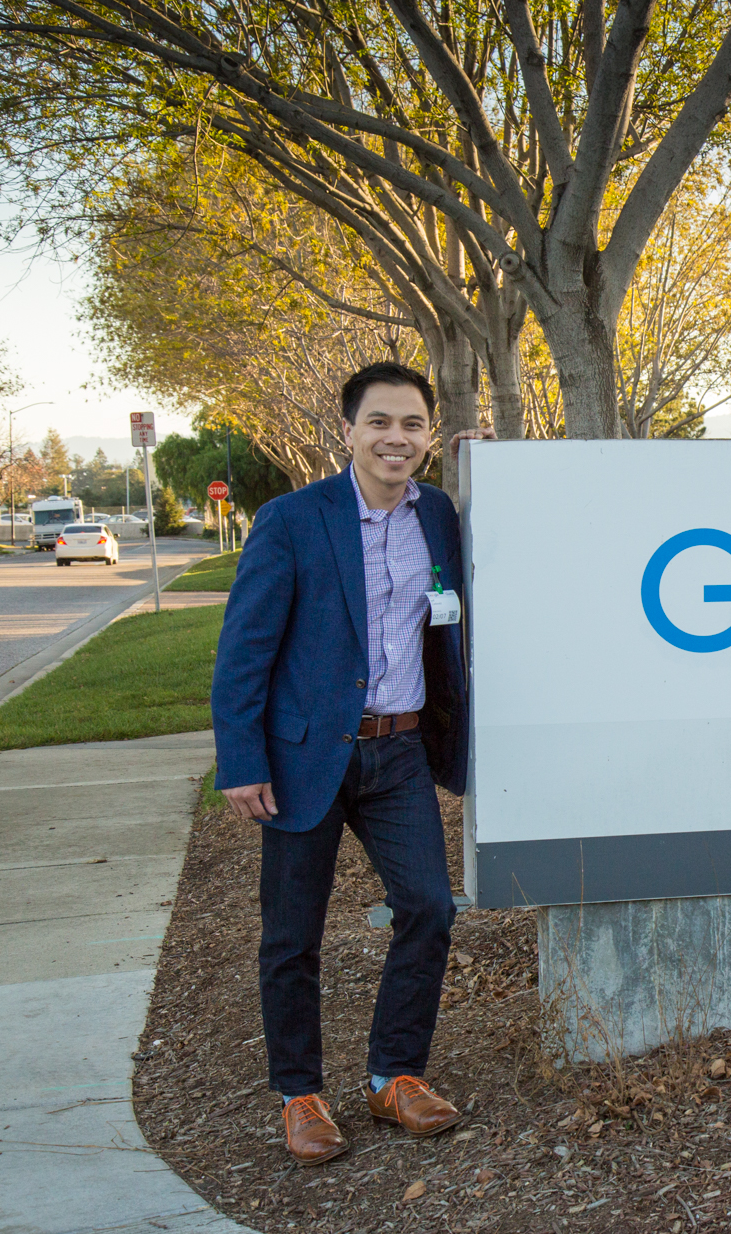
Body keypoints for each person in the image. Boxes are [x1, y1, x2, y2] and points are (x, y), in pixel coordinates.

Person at [212, 361, 495, 1164]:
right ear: (349, 431)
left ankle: (393, 1075)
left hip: (400, 751)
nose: (395, 438)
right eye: (380, 422)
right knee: (292, 935)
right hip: (307, 757)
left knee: (430, 910)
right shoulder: (293, 520)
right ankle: (299, 1093)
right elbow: (244, 651)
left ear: (428, 436)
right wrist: (242, 757)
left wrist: (490, 460)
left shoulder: (441, 514)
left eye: (412, 424)